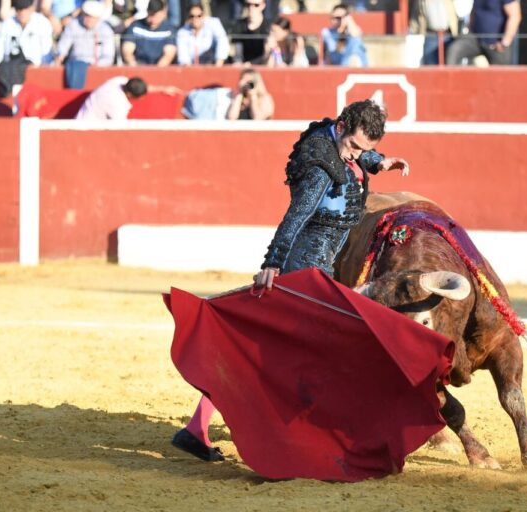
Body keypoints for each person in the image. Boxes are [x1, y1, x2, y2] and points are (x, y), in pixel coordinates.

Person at [171, 100, 411, 462]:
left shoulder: (336, 141)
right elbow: (294, 219)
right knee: (295, 355)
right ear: (343, 126)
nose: (357, 155)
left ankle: (197, 428)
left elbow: (352, 156)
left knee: (267, 352)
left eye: (366, 150)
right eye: (356, 147)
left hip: (321, 269)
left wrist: (381, 161)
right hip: (305, 271)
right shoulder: (318, 169)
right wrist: (273, 264)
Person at [445, 0, 521, 65]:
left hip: (496, 43)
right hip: (475, 37)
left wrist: (505, 42)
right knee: (454, 50)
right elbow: (475, 11)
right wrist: (469, 29)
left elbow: (515, 16)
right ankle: (449, 79)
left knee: (500, 75)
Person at [181, 68, 274, 119]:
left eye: (248, 82)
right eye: (243, 80)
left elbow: (257, 118)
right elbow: (232, 117)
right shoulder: (237, 97)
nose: (246, 84)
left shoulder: (265, 98)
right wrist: (239, 94)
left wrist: (253, 96)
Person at [75, 75, 179, 119]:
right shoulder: (119, 105)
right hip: (89, 128)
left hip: (81, 118)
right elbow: (121, 129)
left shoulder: (119, 80)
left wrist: (162, 88)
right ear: (130, 95)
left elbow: (141, 86)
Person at [0, 0, 53, 66]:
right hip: (12, 69)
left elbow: (47, 53)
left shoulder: (42, 23)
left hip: (35, 69)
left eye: (25, 9)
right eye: (19, 9)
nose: (22, 12)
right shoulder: (8, 24)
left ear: (32, 8)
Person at [55, 1, 116, 67]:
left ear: (98, 18)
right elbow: (62, 48)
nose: (88, 19)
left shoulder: (106, 30)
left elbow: (108, 56)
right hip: (75, 66)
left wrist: (95, 67)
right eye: (86, 15)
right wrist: (58, 59)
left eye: (92, 17)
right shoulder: (73, 25)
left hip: (97, 67)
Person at [121, 0, 177, 65]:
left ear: (163, 13)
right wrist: (136, 68)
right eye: (149, 15)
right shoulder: (135, 26)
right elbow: (127, 51)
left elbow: (169, 55)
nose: (151, 19)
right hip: (138, 66)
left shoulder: (169, 29)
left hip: (160, 68)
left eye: (154, 15)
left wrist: (155, 72)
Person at [176, 0, 229, 65]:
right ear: (188, 17)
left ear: (203, 15)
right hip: (192, 69)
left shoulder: (214, 23)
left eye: (199, 16)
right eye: (192, 16)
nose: (195, 19)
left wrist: (218, 66)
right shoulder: (182, 32)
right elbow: (183, 58)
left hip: (213, 65)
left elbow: (222, 42)